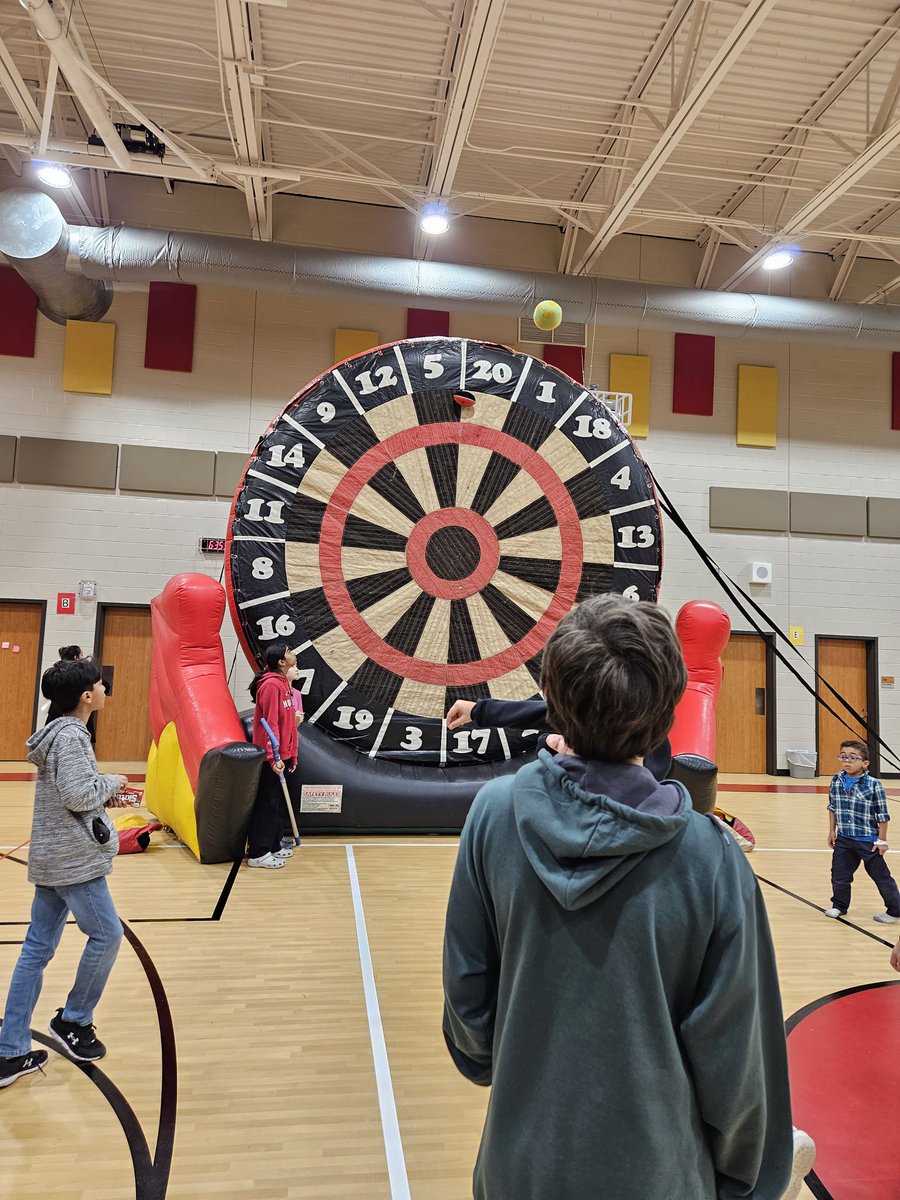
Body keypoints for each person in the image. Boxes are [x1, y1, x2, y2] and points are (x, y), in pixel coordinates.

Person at [442, 593, 797, 1199]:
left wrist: (499, 1060)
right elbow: (736, 1058)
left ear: (553, 701)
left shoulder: (493, 815)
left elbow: (468, 1002)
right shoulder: (711, 857)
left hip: (518, 1166)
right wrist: (743, 1178)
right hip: (660, 1175)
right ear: (668, 708)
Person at [0, 658, 128, 1089]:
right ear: (87, 696)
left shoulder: (56, 733)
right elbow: (77, 794)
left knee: (36, 949)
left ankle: (9, 1050)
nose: (105, 689)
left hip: (54, 857)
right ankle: (74, 1020)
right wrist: (113, 781)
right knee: (108, 935)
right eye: (100, 684)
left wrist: (101, 796)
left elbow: (71, 796)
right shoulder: (73, 735)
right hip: (73, 862)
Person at [824, 739, 900, 923]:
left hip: (868, 840)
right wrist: (832, 831)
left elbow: (882, 815)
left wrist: (881, 841)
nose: (847, 761)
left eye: (852, 757)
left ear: (865, 763)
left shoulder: (874, 784)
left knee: (881, 876)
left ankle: (895, 910)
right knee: (840, 876)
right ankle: (839, 906)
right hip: (844, 838)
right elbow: (832, 807)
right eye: (843, 757)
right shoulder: (836, 780)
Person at [247, 642, 299, 870]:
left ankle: (274, 844)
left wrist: (292, 755)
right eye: (288, 651)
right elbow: (269, 724)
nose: (292, 653)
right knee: (266, 804)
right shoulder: (270, 686)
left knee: (275, 804)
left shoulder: (284, 685)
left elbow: (288, 725)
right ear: (280, 661)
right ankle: (259, 852)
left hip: (283, 755)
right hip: (272, 757)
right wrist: (272, 756)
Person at [46, 645, 97, 744]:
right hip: (74, 708)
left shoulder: (57, 671)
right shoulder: (79, 673)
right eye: (81, 654)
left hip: (58, 708)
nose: (83, 657)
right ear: (75, 657)